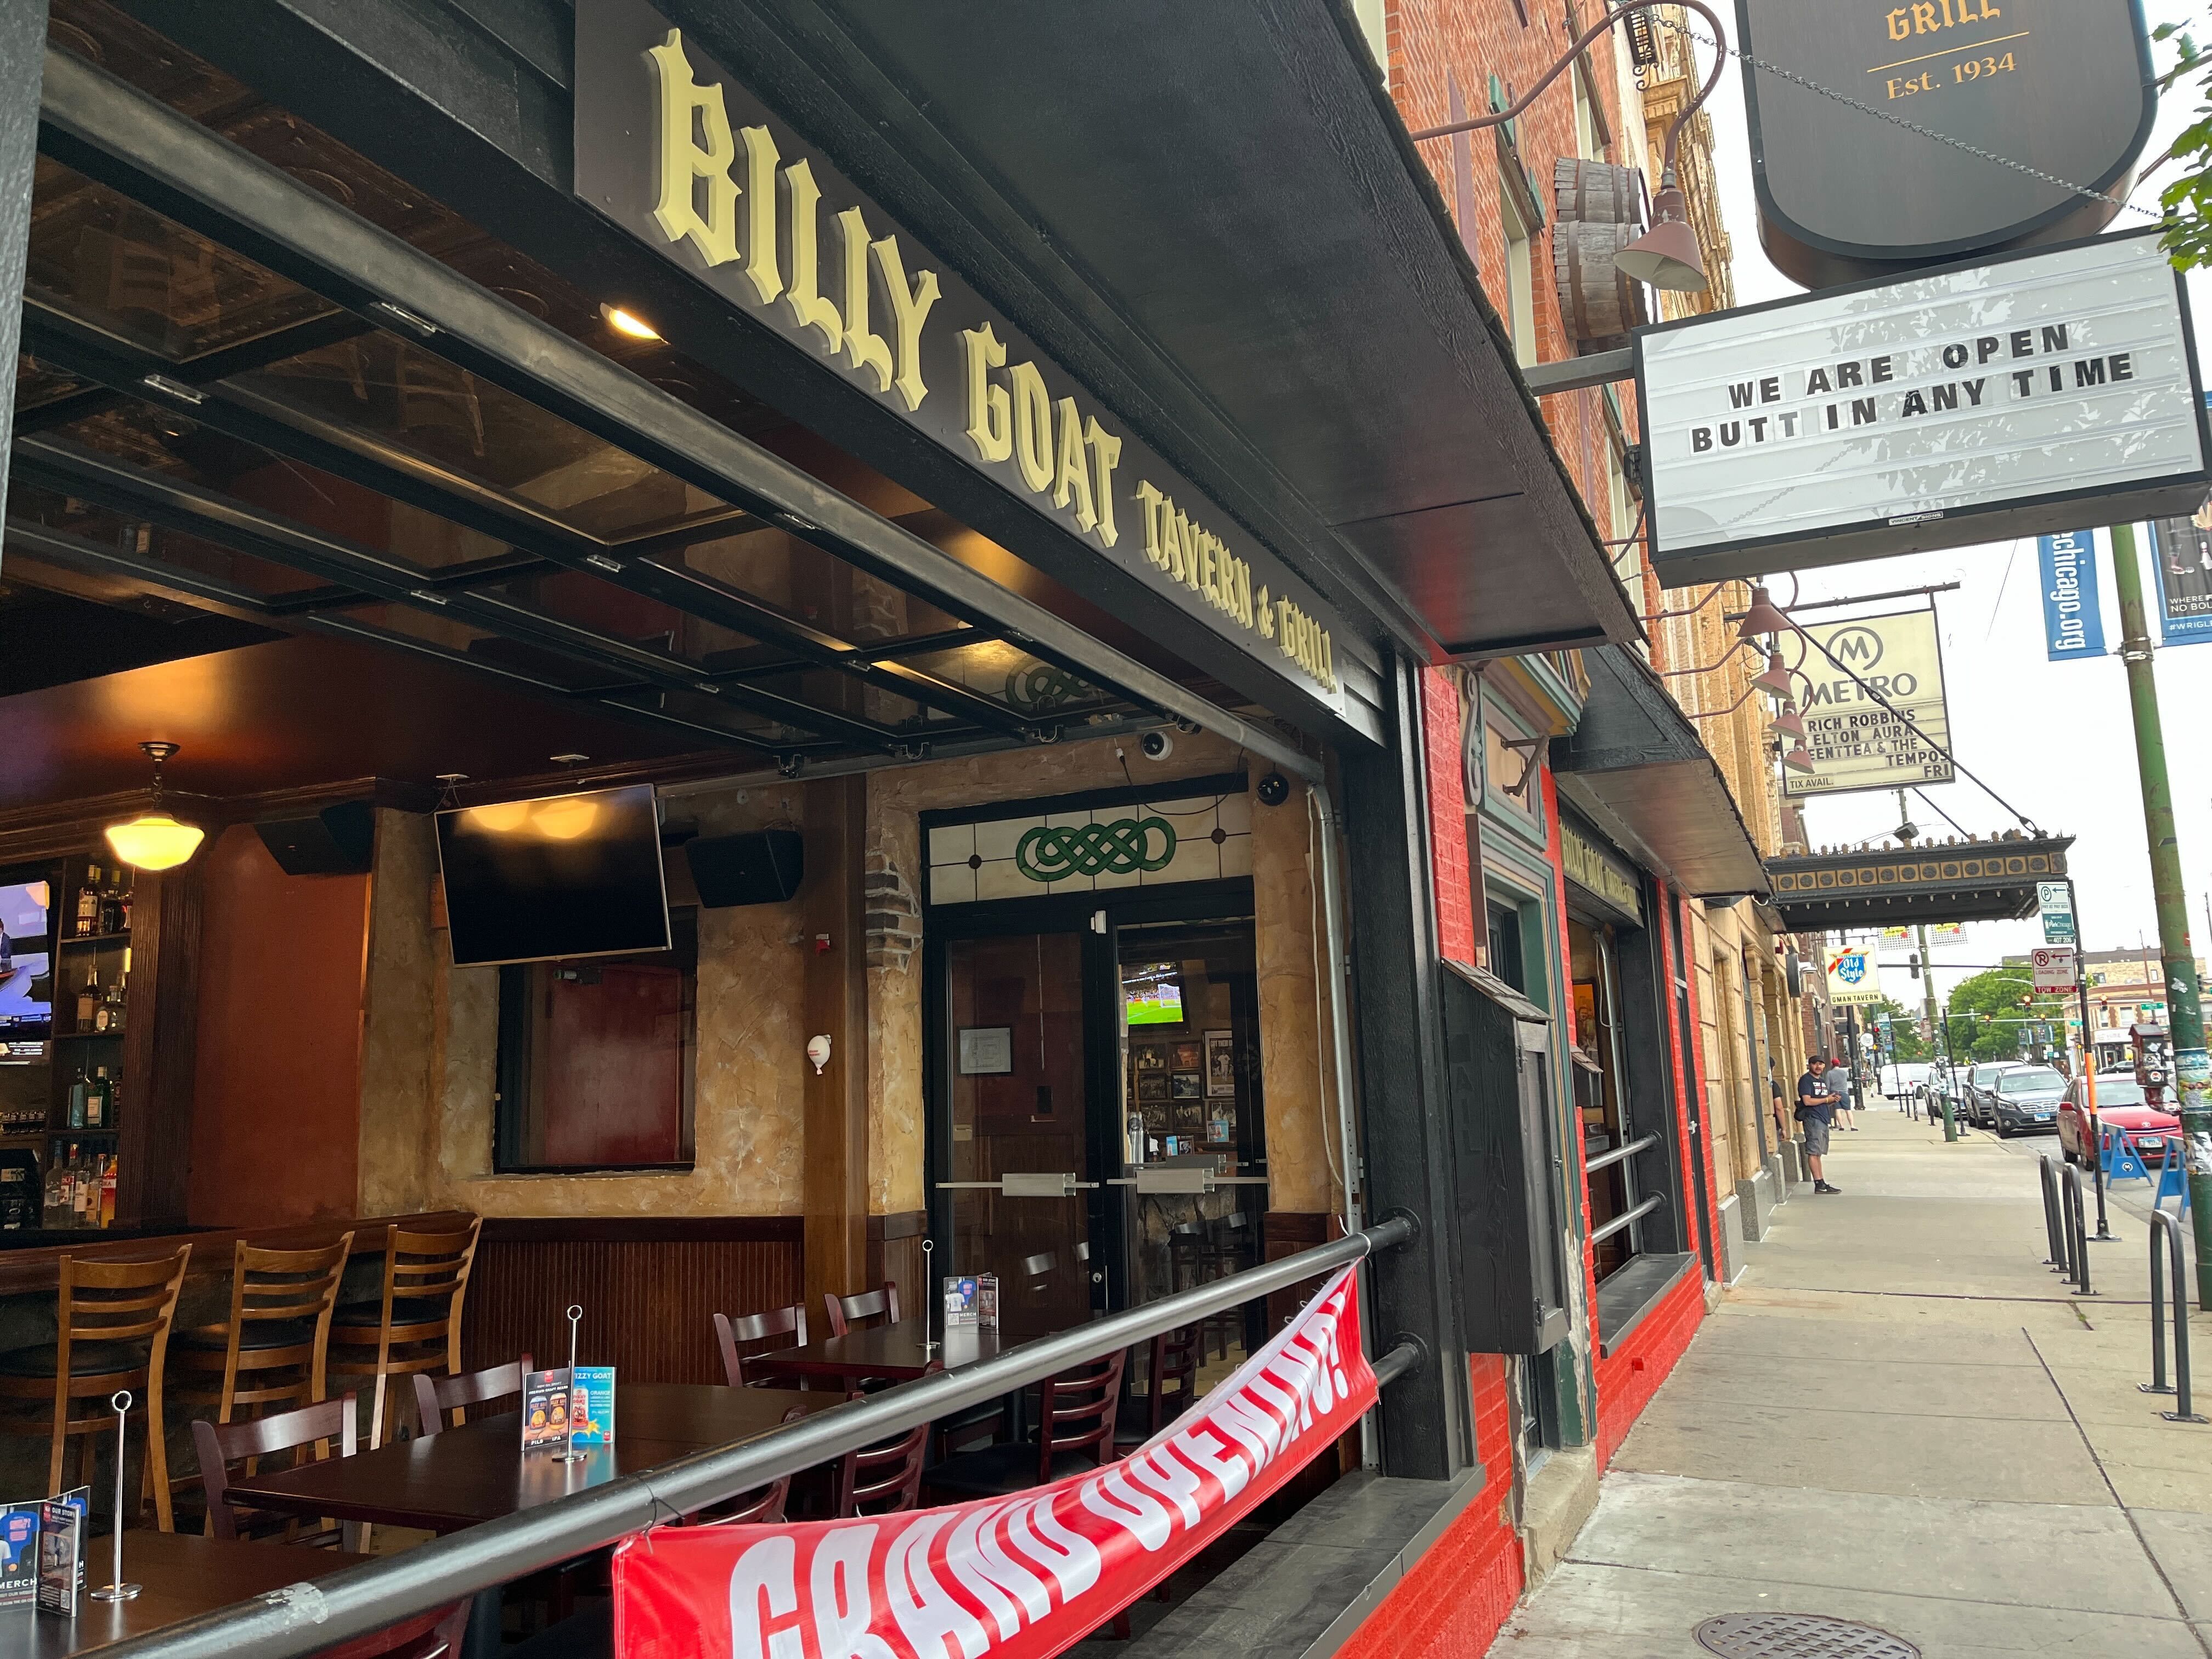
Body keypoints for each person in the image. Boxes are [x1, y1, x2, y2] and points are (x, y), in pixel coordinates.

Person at [1796, 1056, 1842, 1194]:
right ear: (1810, 1065)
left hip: (1823, 1118)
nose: (1818, 1067)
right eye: (1815, 1064)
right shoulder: (1806, 1080)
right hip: (1812, 1118)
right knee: (1814, 1151)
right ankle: (1818, 1183)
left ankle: (1821, 1182)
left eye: (1821, 1064)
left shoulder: (1822, 1081)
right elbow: (1807, 1101)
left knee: (1818, 1153)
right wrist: (1827, 1099)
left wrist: (1832, 1100)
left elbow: (1823, 1101)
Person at [1829, 1054, 1857, 1131]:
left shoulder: (1830, 1073)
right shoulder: (1844, 1072)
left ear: (1832, 1064)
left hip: (1834, 1093)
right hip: (1844, 1092)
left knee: (1837, 1109)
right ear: (1839, 1064)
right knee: (1848, 1110)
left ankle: (1842, 1126)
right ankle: (1852, 1126)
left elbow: (1828, 1084)